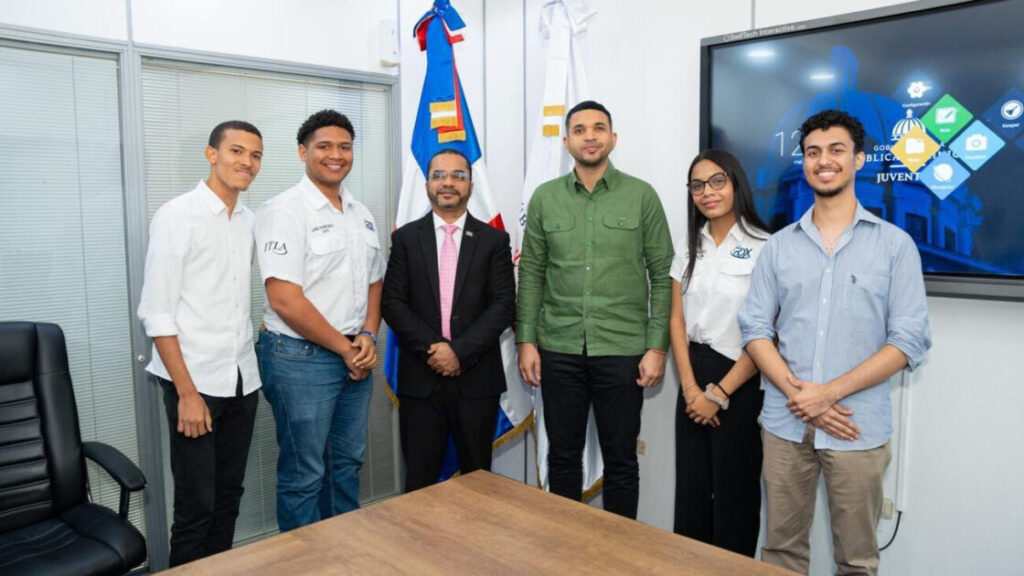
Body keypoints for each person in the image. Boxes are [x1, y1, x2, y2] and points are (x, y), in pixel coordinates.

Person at [739, 109, 932, 575]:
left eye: (836, 150)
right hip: (785, 426)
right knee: (780, 554)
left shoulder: (895, 245)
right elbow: (755, 330)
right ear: (804, 163)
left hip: (856, 428)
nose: (823, 161)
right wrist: (801, 394)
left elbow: (908, 341)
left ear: (859, 159)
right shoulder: (780, 246)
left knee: (857, 560)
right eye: (812, 152)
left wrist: (828, 393)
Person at [516, 100, 673, 519]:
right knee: (563, 458)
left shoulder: (642, 196)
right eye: (580, 129)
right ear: (566, 141)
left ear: (613, 138)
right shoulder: (545, 198)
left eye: (598, 128)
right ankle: (567, 552)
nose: (590, 136)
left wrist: (657, 347)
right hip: (559, 347)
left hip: (623, 350)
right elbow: (531, 273)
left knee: (621, 460)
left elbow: (662, 275)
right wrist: (526, 341)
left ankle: (619, 557)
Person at [137, 120, 264, 566]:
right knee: (196, 507)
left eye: (255, 155)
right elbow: (157, 312)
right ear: (212, 155)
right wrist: (187, 395)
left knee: (229, 497)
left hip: (241, 380)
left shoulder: (250, 220)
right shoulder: (177, 215)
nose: (246, 162)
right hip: (195, 384)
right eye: (236, 151)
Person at [254, 109, 384, 531]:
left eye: (344, 147)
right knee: (304, 474)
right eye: (324, 146)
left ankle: (344, 555)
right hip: (298, 357)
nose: (336, 155)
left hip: (353, 354)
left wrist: (367, 334)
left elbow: (374, 282)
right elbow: (285, 299)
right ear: (302, 151)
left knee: (346, 464)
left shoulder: (360, 212)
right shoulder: (283, 210)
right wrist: (347, 348)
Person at [381, 149, 516, 491]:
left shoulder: (494, 240)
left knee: (477, 480)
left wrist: (458, 352)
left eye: (458, 175)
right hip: (420, 379)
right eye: (439, 175)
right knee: (420, 480)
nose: (448, 183)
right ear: (427, 183)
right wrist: (435, 350)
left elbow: (503, 305)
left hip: (476, 379)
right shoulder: (406, 238)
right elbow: (393, 304)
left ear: (471, 185)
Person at [670, 149, 769, 556]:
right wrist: (692, 389)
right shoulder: (690, 242)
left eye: (717, 182)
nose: (707, 192)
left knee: (735, 496)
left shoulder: (766, 245)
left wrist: (720, 394)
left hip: (740, 378)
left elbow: (769, 333)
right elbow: (675, 319)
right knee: (691, 491)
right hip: (692, 374)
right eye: (697, 185)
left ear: (735, 184)